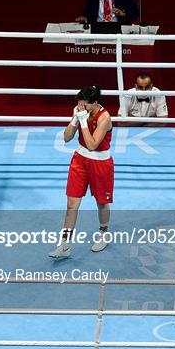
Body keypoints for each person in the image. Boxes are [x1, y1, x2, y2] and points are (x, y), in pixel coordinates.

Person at [49, 85, 114, 258]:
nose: (81, 107)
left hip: (100, 163)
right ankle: (64, 245)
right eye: (80, 104)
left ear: (94, 103)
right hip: (79, 160)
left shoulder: (104, 118)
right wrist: (74, 120)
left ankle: (103, 233)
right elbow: (66, 137)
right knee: (71, 204)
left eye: (85, 105)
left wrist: (83, 122)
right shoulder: (80, 111)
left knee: (102, 202)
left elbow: (93, 145)